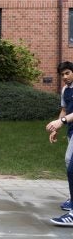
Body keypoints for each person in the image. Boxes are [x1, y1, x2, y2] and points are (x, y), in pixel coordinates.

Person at [46, 61, 73, 226]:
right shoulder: (65, 90)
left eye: (68, 73)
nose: (65, 77)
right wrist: (57, 126)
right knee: (69, 162)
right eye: (62, 75)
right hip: (71, 131)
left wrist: (61, 121)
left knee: (72, 167)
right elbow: (64, 109)